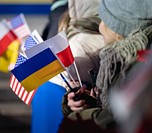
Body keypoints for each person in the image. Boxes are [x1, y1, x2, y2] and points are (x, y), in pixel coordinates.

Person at [61, 0, 152, 131]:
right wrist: (88, 102)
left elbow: (123, 117)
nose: (99, 27)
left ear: (120, 31)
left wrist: (84, 115)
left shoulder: (141, 67)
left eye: (105, 21)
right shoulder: (119, 58)